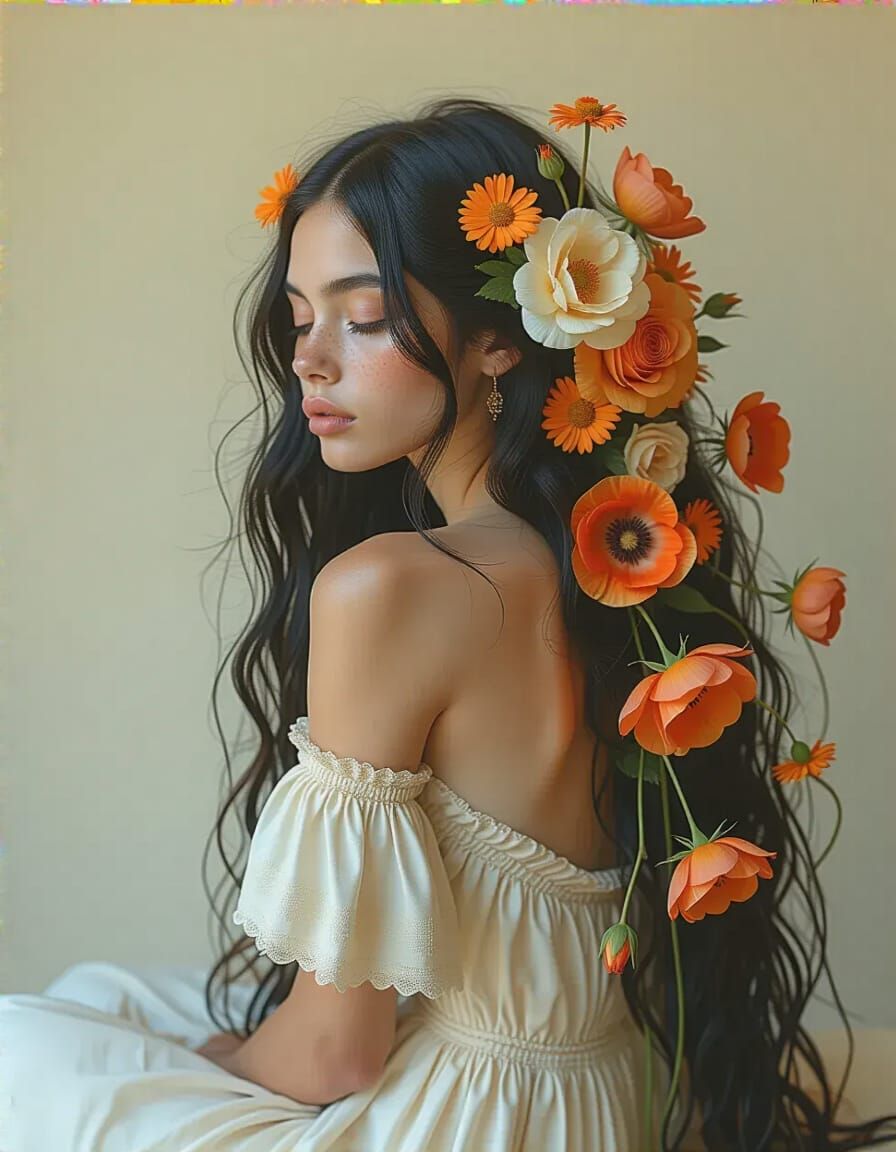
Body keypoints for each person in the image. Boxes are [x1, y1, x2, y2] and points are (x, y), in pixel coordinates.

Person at [1, 94, 895, 1152]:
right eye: (297, 318)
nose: (309, 362)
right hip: (605, 1099)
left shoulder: (387, 587)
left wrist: (208, 1069)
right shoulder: (616, 571)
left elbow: (336, 1051)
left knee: (27, 1039)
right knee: (111, 992)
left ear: (501, 344)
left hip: (463, 1123)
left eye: (364, 315)